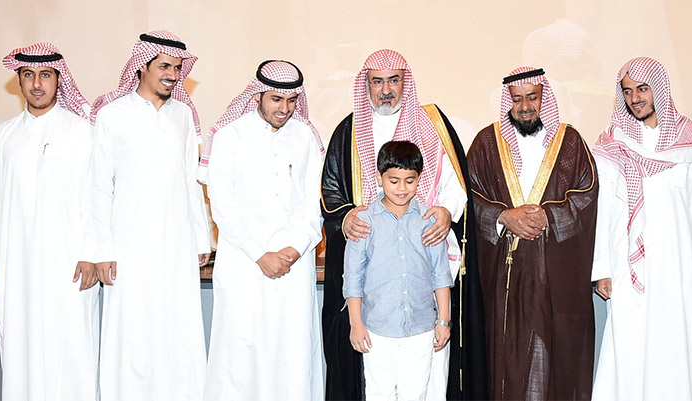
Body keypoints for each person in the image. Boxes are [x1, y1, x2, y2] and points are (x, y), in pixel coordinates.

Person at [321, 48, 487, 401]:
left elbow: (456, 184)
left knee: (428, 376)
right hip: (375, 282)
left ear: (404, 82)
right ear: (366, 85)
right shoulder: (349, 130)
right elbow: (331, 190)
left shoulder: (433, 124)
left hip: (426, 253)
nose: (386, 90)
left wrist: (445, 212)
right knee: (377, 381)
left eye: (393, 80)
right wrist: (347, 215)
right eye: (377, 81)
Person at [86, 31, 211, 401]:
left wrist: (201, 238)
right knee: (132, 330)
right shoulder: (112, 115)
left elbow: (190, 181)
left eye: (177, 68)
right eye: (164, 66)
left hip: (177, 242)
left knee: (178, 327)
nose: (172, 74)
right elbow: (98, 186)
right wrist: (101, 249)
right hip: (128, 243)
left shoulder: (183, 116)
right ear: (142, 66)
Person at [0, 42, 99, 400]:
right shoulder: (2, 136)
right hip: (18, 265)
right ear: (19, 81)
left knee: (72, 347)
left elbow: (96, 198)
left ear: (59, 80)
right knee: (19, 345)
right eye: (28, 75)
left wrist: (91, 253)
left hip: (69, 263)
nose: (37, 84)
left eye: (45, 75)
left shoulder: (82, 132)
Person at [591, 57, 692, 401]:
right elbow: (603, 211)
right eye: (627, 91)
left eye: (642, 89)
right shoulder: (611, 143)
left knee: (678, 337)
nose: (635, 98)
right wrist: (601, 268)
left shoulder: (689, 139)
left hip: (678, 261)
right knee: (629, 340)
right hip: (627, 262)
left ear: (659, 89)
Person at [467, 67, 598, 400]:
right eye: (517, 99)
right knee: (505, 356)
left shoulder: (570, 142)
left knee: (552, 355)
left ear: (545, 98)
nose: (525, 106)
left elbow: (587, 194)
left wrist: (548, 216)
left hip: (552, 273)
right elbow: (469, 197)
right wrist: (503, 217)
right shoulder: (486, 143)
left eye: (532, 97)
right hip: (503, 276)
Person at [198, 60, 325, 400]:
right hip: (244, 264)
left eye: (292, 100)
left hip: (294, 264)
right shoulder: (229, 136)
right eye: (276, 99)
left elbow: (315, 204)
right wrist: (260, 255)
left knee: (292, 350)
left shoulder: (306, 137)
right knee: (242, 352)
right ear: (257, 96)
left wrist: (294, 249)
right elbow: (222, 207)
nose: (285, 108)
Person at [344, 140, 454, 400]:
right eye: (394, 181)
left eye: (409, 181)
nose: (402, 188)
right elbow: (353, 279)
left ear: (419, 179)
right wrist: (356, 324)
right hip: (377, 330)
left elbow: (440, 275)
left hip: (421, 329)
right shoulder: (364, 222)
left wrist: (443, 321)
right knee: (379, 393)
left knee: (415, 394)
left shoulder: (429, 220)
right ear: (379, 178)